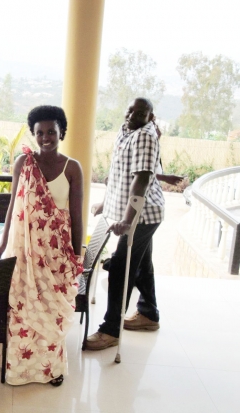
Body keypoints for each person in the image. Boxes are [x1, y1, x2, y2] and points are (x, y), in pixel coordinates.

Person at [0, 105, 84, 386]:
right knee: (22, 308)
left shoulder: (72, 168)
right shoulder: (22, 164)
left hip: (56, 255)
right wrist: (3, 242)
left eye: (51, 131)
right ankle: (19, 370)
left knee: (51, 311)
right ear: (33, 134)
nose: (46, 137)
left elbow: (76, 216)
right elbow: (12, 207)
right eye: (39, 132)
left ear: (61, 131)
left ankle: (50, 369)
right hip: (23, 253)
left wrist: (78, 257)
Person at [85, 97, 164, 351]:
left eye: (141, 113)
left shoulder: (145, 136)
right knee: (142, 264)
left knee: (121, 267)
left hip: (142, 215)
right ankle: (148, 313)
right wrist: (106, 203)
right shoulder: (126, 130)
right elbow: (118, 173)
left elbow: (139, 180)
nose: (132, 115)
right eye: (130, 109)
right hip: (131, 212)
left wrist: (127, 221)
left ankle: (111, 330)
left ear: (150, 117)